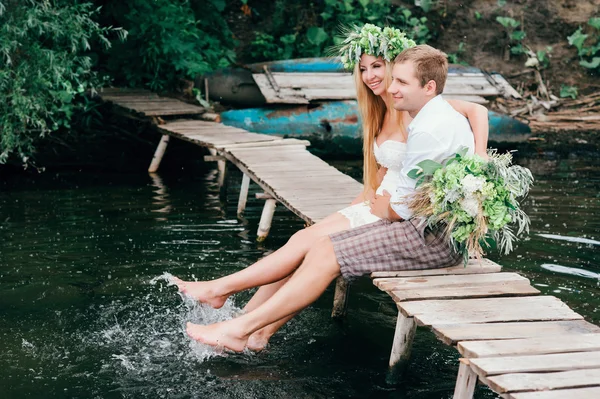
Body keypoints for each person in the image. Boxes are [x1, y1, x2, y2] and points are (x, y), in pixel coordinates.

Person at [175, 27, 488, 350]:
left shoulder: (423, 114)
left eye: (381, 68)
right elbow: (384, 176)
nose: (375, 78)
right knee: (307, 239)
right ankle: (243, 324)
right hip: (392, 205)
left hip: (408, 216)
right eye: (364, 69)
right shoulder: (393, 108)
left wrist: (479, 168)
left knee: (318, 247)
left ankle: (239, 318)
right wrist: (355, 208)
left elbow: (404, 200)